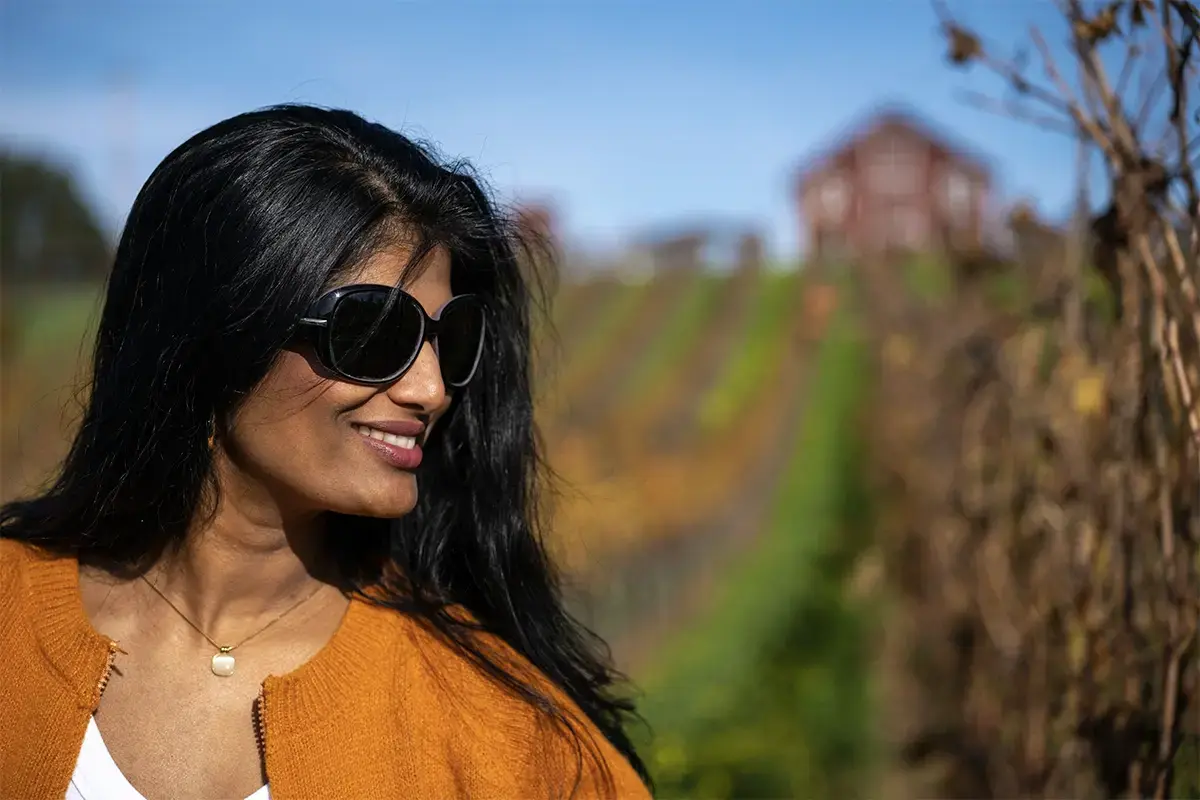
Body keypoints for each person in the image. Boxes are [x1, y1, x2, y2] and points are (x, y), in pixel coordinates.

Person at [0, 105, 653, 800]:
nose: (431, 389)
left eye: (451, 339)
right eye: (373, 331)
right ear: (215, 334)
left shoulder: (518, 744)